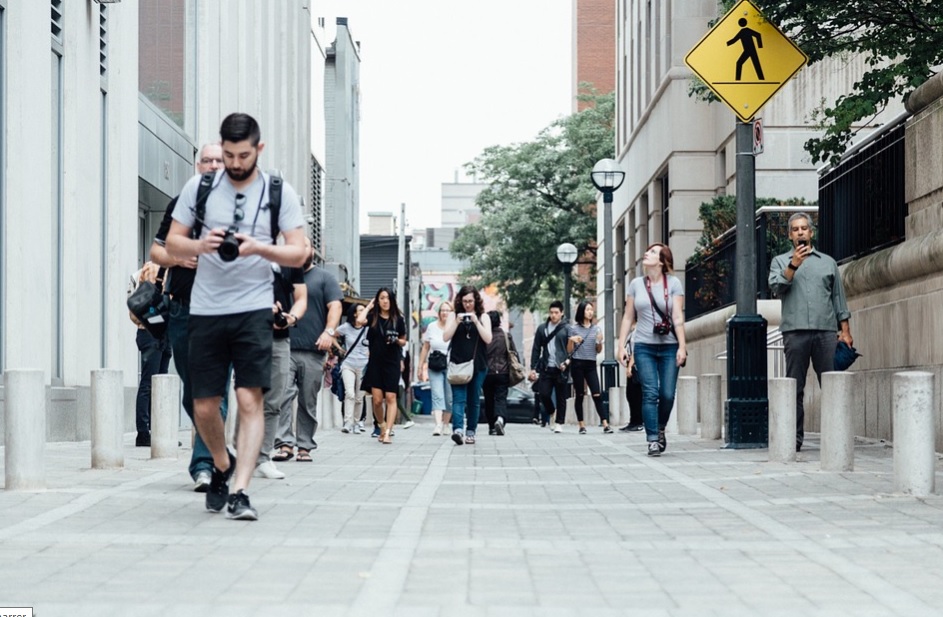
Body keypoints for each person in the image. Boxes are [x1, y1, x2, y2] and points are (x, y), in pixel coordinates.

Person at [165, 113, 307, 520]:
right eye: (227, 155)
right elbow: (171, 242)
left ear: (258, 149)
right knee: (204, 405)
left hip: (253, 308)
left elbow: (300, 252)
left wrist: (260, 248)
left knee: (249, 398)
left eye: (243, 155)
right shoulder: (201, 186)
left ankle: (241, 490)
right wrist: (200, 245)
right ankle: (222, 466)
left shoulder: (278, 191)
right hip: (206, 309)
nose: (234, 163)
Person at [150, 143, 230, 491]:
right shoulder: (181, 205)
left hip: (224, 311)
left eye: (219, 160)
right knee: (193, 392)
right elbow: (156, 250)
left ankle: (204, 465)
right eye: (207, 160)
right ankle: (214, 446)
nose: (212, 165)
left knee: (215, 391)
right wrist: (177, 259)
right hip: (182, 308)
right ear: (198, 165)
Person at [768, 212, 853, 452]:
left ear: (811, 232)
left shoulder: (827, 262)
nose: (800, 232)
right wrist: (793, 264)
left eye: (804, 228)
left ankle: (837, 436)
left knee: (832, 384)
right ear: (789, 235)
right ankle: (794, 438)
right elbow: (776, 287)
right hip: (795, 333)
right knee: (795, 386)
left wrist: (845, 330)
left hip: (826, 331)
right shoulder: (780, 261)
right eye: (795, 229)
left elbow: (838, 298)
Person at [276, 237, 344, 461]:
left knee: (308, 400)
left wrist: (329, 332)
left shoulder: (325, 278)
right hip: (284, 346)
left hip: (314, 350)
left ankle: (304, 445)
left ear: (312, 249)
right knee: (282, 396)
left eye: (304, 245)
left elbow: (335, 306)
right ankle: (285, 443)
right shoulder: (282, 276)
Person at [617, 243, 687, 457]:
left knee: (666, 394)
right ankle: (653, 440)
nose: (647, 253)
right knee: (650, 392)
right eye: (647, 250)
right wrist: (621, 345)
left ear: (663, 261)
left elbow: (677, 316)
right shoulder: (636, 284)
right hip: (644, 346)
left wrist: (683, 346)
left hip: (669, 346)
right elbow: (628, 316)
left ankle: (660, 427)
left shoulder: (674, 283)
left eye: (653, 252)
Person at [253, 262, 306, 480]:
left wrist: (289, 318)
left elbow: (301, 297)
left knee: (274, 401)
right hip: (248, 335)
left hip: (280, 339)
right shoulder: (245, 249)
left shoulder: (290, 258)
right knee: (249, 398)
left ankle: (263, 459)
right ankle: (244, 455)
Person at [129, 261, 173, 447]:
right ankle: (143, 433)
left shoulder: (169, 269)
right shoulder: (152, 268)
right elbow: (148, 302)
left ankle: (158, 432)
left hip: (161, 333)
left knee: (160, 385)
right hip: (151, 332)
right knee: (149, 383)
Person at [443, 285, 493, 445]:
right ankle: (457, 430)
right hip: (457, 363)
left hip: (478, 365)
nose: (467, 305)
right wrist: (456, 322)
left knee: (473, 400)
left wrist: (476, 322)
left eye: (470, 301)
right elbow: (445, 337)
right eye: (464, 301)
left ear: (476, 301)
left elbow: (488, 339)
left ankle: (471, 431)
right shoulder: (453, 316)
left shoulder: (483, 317)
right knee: (458, 399)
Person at [357, 287, 407, 444]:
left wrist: (396, 340)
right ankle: (382, 425)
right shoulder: (373, 317)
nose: (385, 301)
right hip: (375, 362)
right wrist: (369, 306)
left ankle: (388, 432)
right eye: (382, 298)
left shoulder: (398, 319)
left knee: (391, 396)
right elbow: (359, 321)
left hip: (392, 361)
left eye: (388, 298)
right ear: (378, 300)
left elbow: (404, 340)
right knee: (377, 400)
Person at [567, 300, 611, 434]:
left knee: (597, 393)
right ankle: (581, 425)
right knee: (580, 394)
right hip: (577, 364)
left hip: (591, 364)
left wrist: (599, 341)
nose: (590, 312)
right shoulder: (573, 329)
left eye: (591, 310)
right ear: (581, 312)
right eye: (587, 309)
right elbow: (569, 351)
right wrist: (571, 340)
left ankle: (605, 424)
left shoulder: (596, 329)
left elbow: (598, 350)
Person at [529, 300, 570, 434]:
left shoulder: (567, 328)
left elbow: (572, 349)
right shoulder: (542, 328)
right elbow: (536, 349)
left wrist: (567, 362)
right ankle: (552, 411)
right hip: (546, 367)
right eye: (551, 312)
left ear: (562, 313)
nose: (553, 315)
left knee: (561, 396)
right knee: (544, 394)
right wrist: (533, 368)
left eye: (556, 313)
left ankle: (559, 422)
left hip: (561, 367)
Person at [418, 301, 453, 435]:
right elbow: (426, 347)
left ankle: (446, 424)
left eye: (448, 311)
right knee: (437, 394)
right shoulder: (432, 327)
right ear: (439, 313)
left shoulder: (454, 327)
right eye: (443, 310)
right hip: (435, 365)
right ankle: (438, 425)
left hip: (451, 365)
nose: (445, 313)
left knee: (449, 397)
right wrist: (420, 366)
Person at [336, 304, 369, 434]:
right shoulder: (346, 327)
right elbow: (332, 333)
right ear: (355, 314)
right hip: (348, 364)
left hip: (363, 366)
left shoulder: (368, 329)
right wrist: (339, 348)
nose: (363, 312)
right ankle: (348, 422)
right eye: (361, 310)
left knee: (359, 397)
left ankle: (356, 422)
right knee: (349, 393)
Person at [482, 310, 515, 436]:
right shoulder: (506, 336)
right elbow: (513, 353)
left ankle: (491, 426)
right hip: (503, 372)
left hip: (487, 373)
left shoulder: (484, 337)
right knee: (501, 398)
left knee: (489, 399)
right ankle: (500, 419)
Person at [619, 326, 644, 432]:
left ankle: (638, 422)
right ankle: (633, 421)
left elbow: (637, 348)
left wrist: (630, 366)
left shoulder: (640, 329)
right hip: (632, 364)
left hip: (637, 365)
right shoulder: (632, 331)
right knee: (630, 394)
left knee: (636, 394)